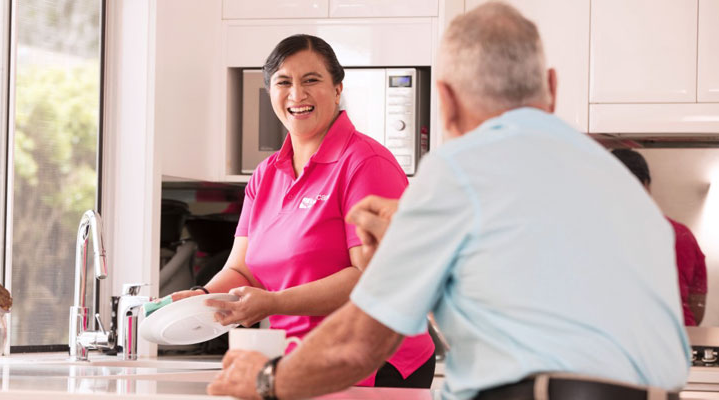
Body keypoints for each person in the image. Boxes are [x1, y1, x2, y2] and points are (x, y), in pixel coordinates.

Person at [207, 3, 691, 400]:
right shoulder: (619, 180)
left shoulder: (461, 169)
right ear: (552, 87)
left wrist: (265, 379)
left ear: (447, 100)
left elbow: (359, 344)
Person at [166, 34, 436, 388]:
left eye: (311, 80)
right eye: (284, 82)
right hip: (302, 361)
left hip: (375, 360)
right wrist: (203, 299)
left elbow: (369, 278)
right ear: (270, 94)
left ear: (338, 89)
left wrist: (273, 302)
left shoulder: (365, 164)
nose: (297, 94)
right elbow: (241, 269)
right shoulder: (265, 176)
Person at [612, 148, 708, 326]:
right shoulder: (681, 235)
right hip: (681, 342)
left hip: (623, 344)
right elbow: (697, 307)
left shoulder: (601, 236)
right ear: (647, 185)